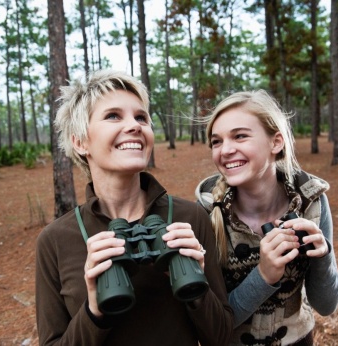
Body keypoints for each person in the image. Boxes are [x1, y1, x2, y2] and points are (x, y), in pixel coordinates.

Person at [35, 69, 233, 346]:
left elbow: (222, 337)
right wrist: (94, 312)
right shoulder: (56, 240)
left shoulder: (189, 218)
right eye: (113, 116)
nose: (135, 126)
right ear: (80, 142)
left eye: (141, 117)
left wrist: (198, 291)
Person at [195, 90, 338, 345]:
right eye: (216, 141)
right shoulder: (205, 214)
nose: (225, 150)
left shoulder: (312, 203)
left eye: (240, 136)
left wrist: (323, 255)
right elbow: (214, 323)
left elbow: (327, 305)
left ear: (276, 142)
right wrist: (264, 275)